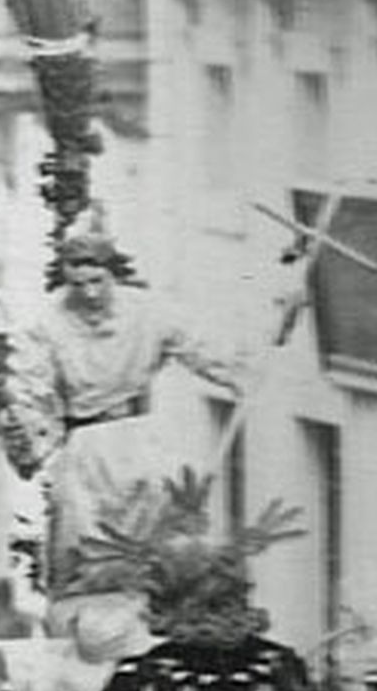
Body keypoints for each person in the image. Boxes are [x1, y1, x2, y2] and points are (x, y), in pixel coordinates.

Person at [13, 208, 241, 565]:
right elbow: (30, 389)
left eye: (97, 281)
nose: (89, 293)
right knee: (88, 557)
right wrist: (38, 443)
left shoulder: (146, 311)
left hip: (141, 441)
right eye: (78, 284)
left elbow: (203, 350)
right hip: (85, 448)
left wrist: (242, 369)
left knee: (155, 552)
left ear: (111, 274)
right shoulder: (46, 324)